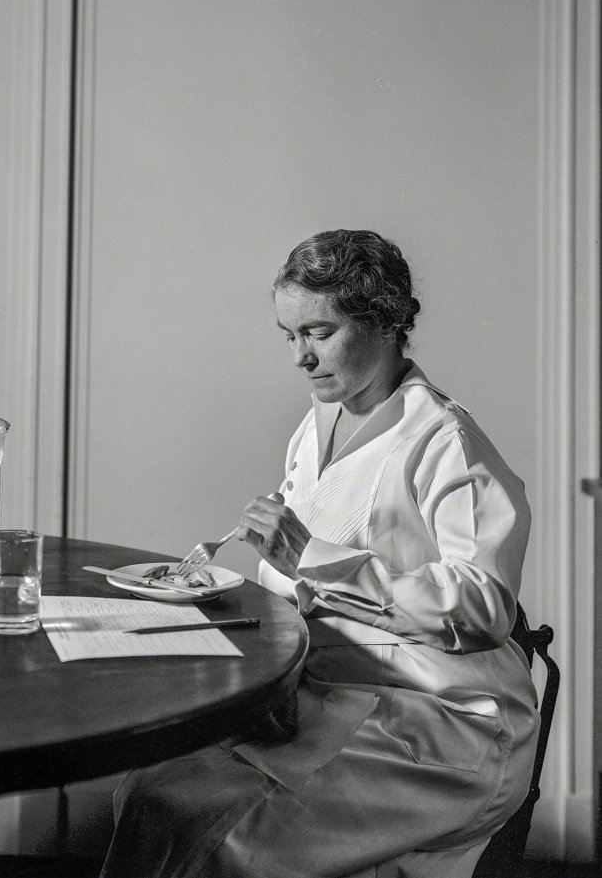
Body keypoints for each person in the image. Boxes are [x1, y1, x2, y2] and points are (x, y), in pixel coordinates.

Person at [99, 230, 540, 878]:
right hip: (332, 690)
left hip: (443, 718)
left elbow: (485, 605)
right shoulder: (315, 426)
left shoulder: (444, 439)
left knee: (229, 845)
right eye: (289, 334)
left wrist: (313, 556)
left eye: (319, 332)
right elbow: (302, 581)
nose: (301, 357)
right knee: (150, 794)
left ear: (383, 321)